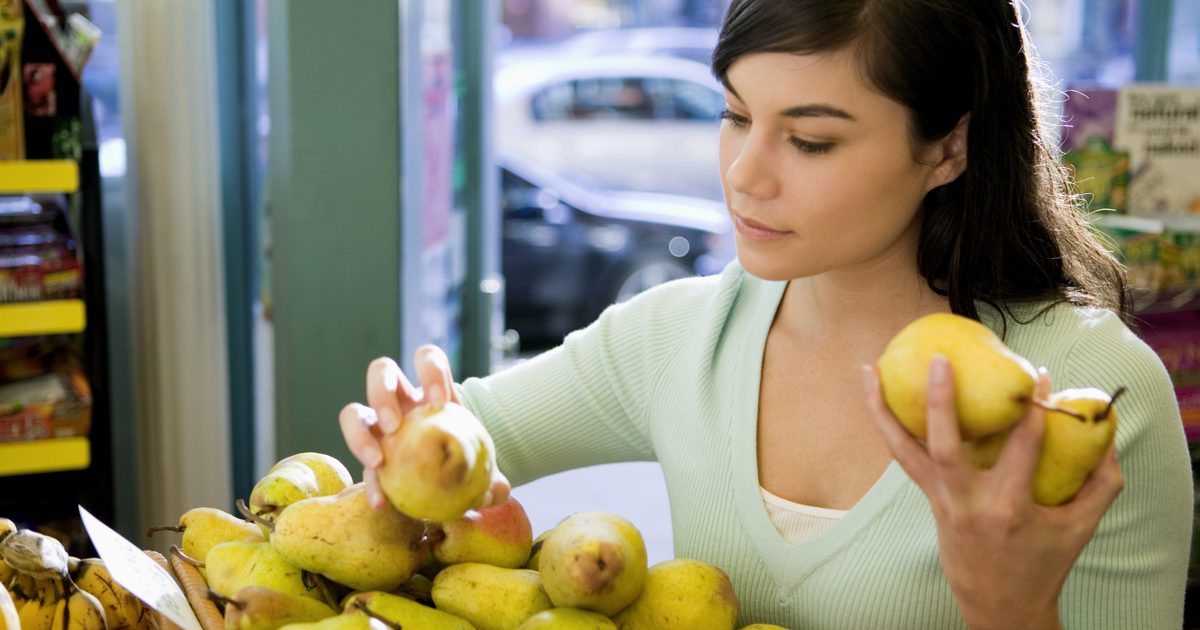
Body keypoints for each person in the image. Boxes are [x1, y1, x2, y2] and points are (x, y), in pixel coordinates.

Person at [340, 0, 1193, 627]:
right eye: (735, 115)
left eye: (810, 140)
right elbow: (470, 433)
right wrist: (408, 435)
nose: (746, 174)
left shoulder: (1091, 395)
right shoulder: (678, 337)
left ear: (948, 147)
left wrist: (1010, 609)